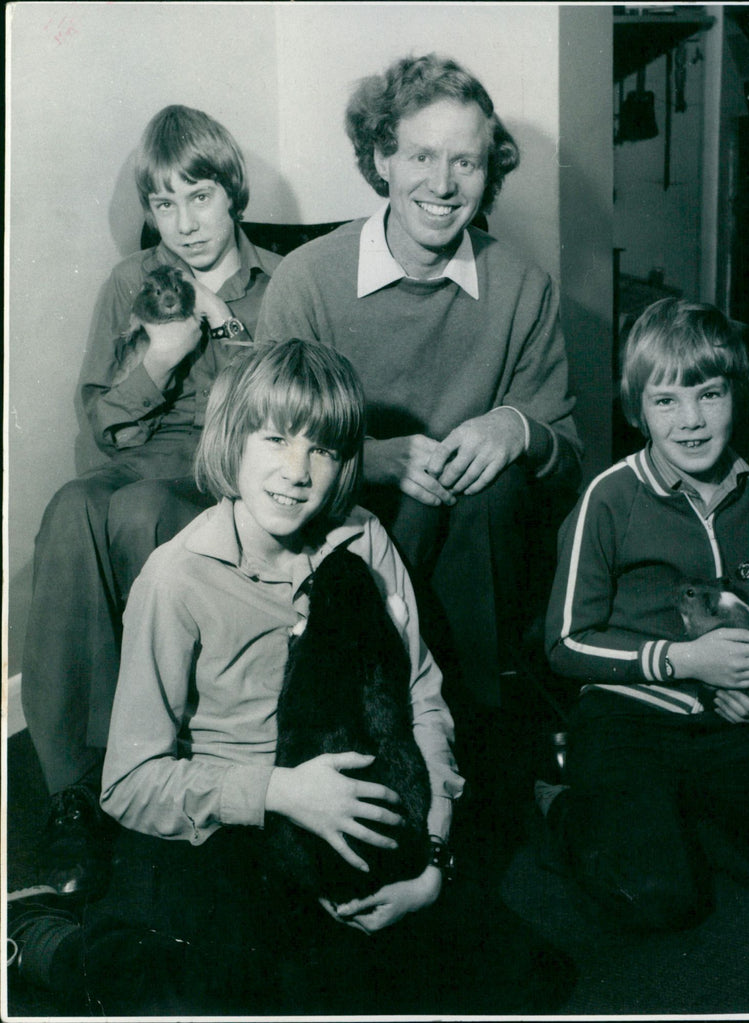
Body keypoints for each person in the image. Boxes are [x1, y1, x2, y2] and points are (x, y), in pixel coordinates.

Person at [7, 341, 574, 1016]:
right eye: (275, 438)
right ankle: (51, 942)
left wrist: (431, 855)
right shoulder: (176, 576)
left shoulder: (363, 538)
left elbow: (421, 697)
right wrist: (283, 791)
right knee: (240, 997)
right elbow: (129, 785)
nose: (297, 471)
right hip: (235, 824)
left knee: (532, 980)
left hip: (360, 811)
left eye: (322, 449)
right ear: (233, 439)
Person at [254, 55, 583, 790]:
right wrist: (366, 456)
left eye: (466, 161)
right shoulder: (306, 279)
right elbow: (262, 445)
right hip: (341, 529)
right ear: (381, 159)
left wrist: (517, 427)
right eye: (422, 156)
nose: (443, 184)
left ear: (488, 172)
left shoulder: (524, 286)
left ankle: (475, 750)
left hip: (473, 543)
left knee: (496, 490)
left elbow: (567, 455)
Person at [21, 104, 283, 897]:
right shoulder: (128, 283)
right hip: (134, 460)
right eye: (164, 204)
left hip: (223, 467)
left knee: (142, 511)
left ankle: (165, 754)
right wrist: (162, 360)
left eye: (199, 197)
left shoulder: (279, 281)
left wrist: (220, 331)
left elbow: (279, 421)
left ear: (233, 194)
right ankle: (76, 786)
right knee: (71, 506)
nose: (184, 223)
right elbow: (101, 426)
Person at [540, 298, 749, 932]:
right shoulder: (610, 498)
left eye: (709, 394)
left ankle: (686, 818)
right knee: (656, 896)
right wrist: (682, 660)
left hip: (731, 724)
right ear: (638, 409)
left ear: (735, 393)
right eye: (666, 401)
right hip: (627, 719)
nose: (691, 420)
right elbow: (565, 642)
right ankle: (563, 807)